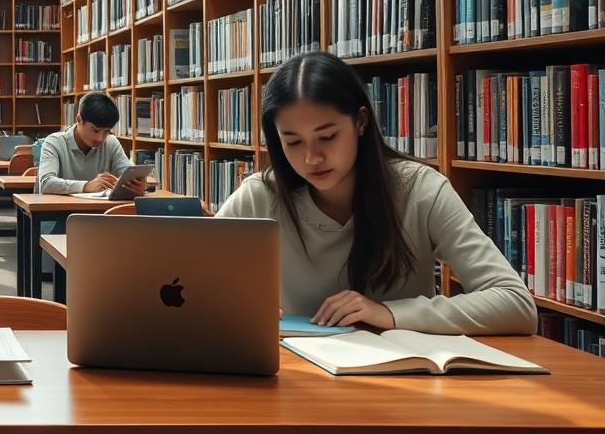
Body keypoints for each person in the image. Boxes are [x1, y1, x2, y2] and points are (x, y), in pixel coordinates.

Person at [217, 51, 536, 335]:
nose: (312, 158)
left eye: (327, 137)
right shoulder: (259, 196)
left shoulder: (420, 190)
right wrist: (234, 308)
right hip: (295, 384)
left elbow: (516, 303)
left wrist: (389, 313)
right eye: (294, 142)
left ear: (360, 122)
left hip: (402, 384)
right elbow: (192, 284)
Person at [36, 91, 147, 196]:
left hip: (100, 213)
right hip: (59, 213)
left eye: (106, 132)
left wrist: (138, 184)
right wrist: (86, 186)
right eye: (95, 130)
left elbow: (128, 173)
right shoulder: (54, 143)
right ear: (79, 120)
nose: (100, 138)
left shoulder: (111, 143)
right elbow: (46, 183)